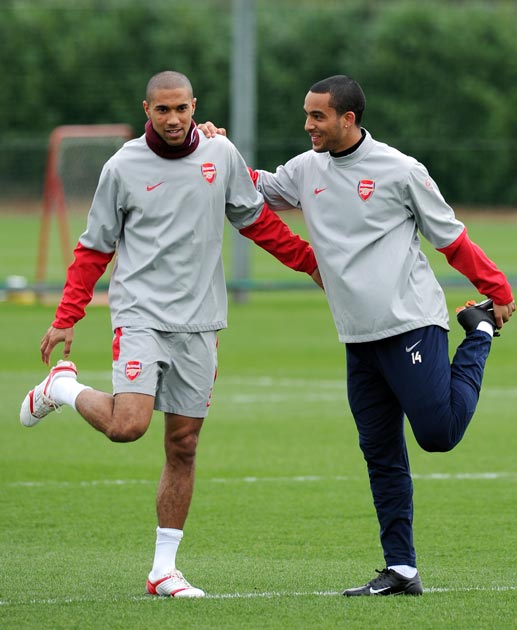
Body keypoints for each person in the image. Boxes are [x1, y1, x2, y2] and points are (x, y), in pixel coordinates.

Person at [20, 70, 322, 598]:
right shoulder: (122, 167)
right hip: (139, 315)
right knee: (127, 426)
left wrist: (309, 262)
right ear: (147, 110)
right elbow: (94, 248)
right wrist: (69, 314)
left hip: (201, 322)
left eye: (182, 108)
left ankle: (163, 569)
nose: (175, 119)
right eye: (164, 110)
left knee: (183, 444)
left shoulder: (221, 156)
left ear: (193, 105)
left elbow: (256, 222)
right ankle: (61, 388)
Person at [242, 75, 516, 596]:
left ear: (348, 118)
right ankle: (402, 569)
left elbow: (450, 237)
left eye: (317, 116)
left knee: (437, 435)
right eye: (306, 114)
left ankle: (475, 333)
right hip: (356, 338)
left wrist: (495, 289)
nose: (308, 125)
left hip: (411, 322)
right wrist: (212, 148)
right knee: (381, 453)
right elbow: (255, 185)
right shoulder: (305, 169)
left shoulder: (400, 169)